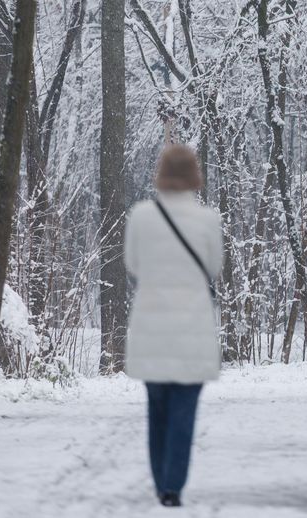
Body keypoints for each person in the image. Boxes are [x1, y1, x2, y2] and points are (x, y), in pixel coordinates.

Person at [124, 144, 224, 507]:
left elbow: (133, 264)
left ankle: (160, 480)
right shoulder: (208, 220)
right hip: (192, 329)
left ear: (162, 176)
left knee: (158, 412)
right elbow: (213, 267)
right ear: (195, 177)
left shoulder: (141, 217)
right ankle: (173, 486)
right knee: (184, 413)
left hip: (152, 327)